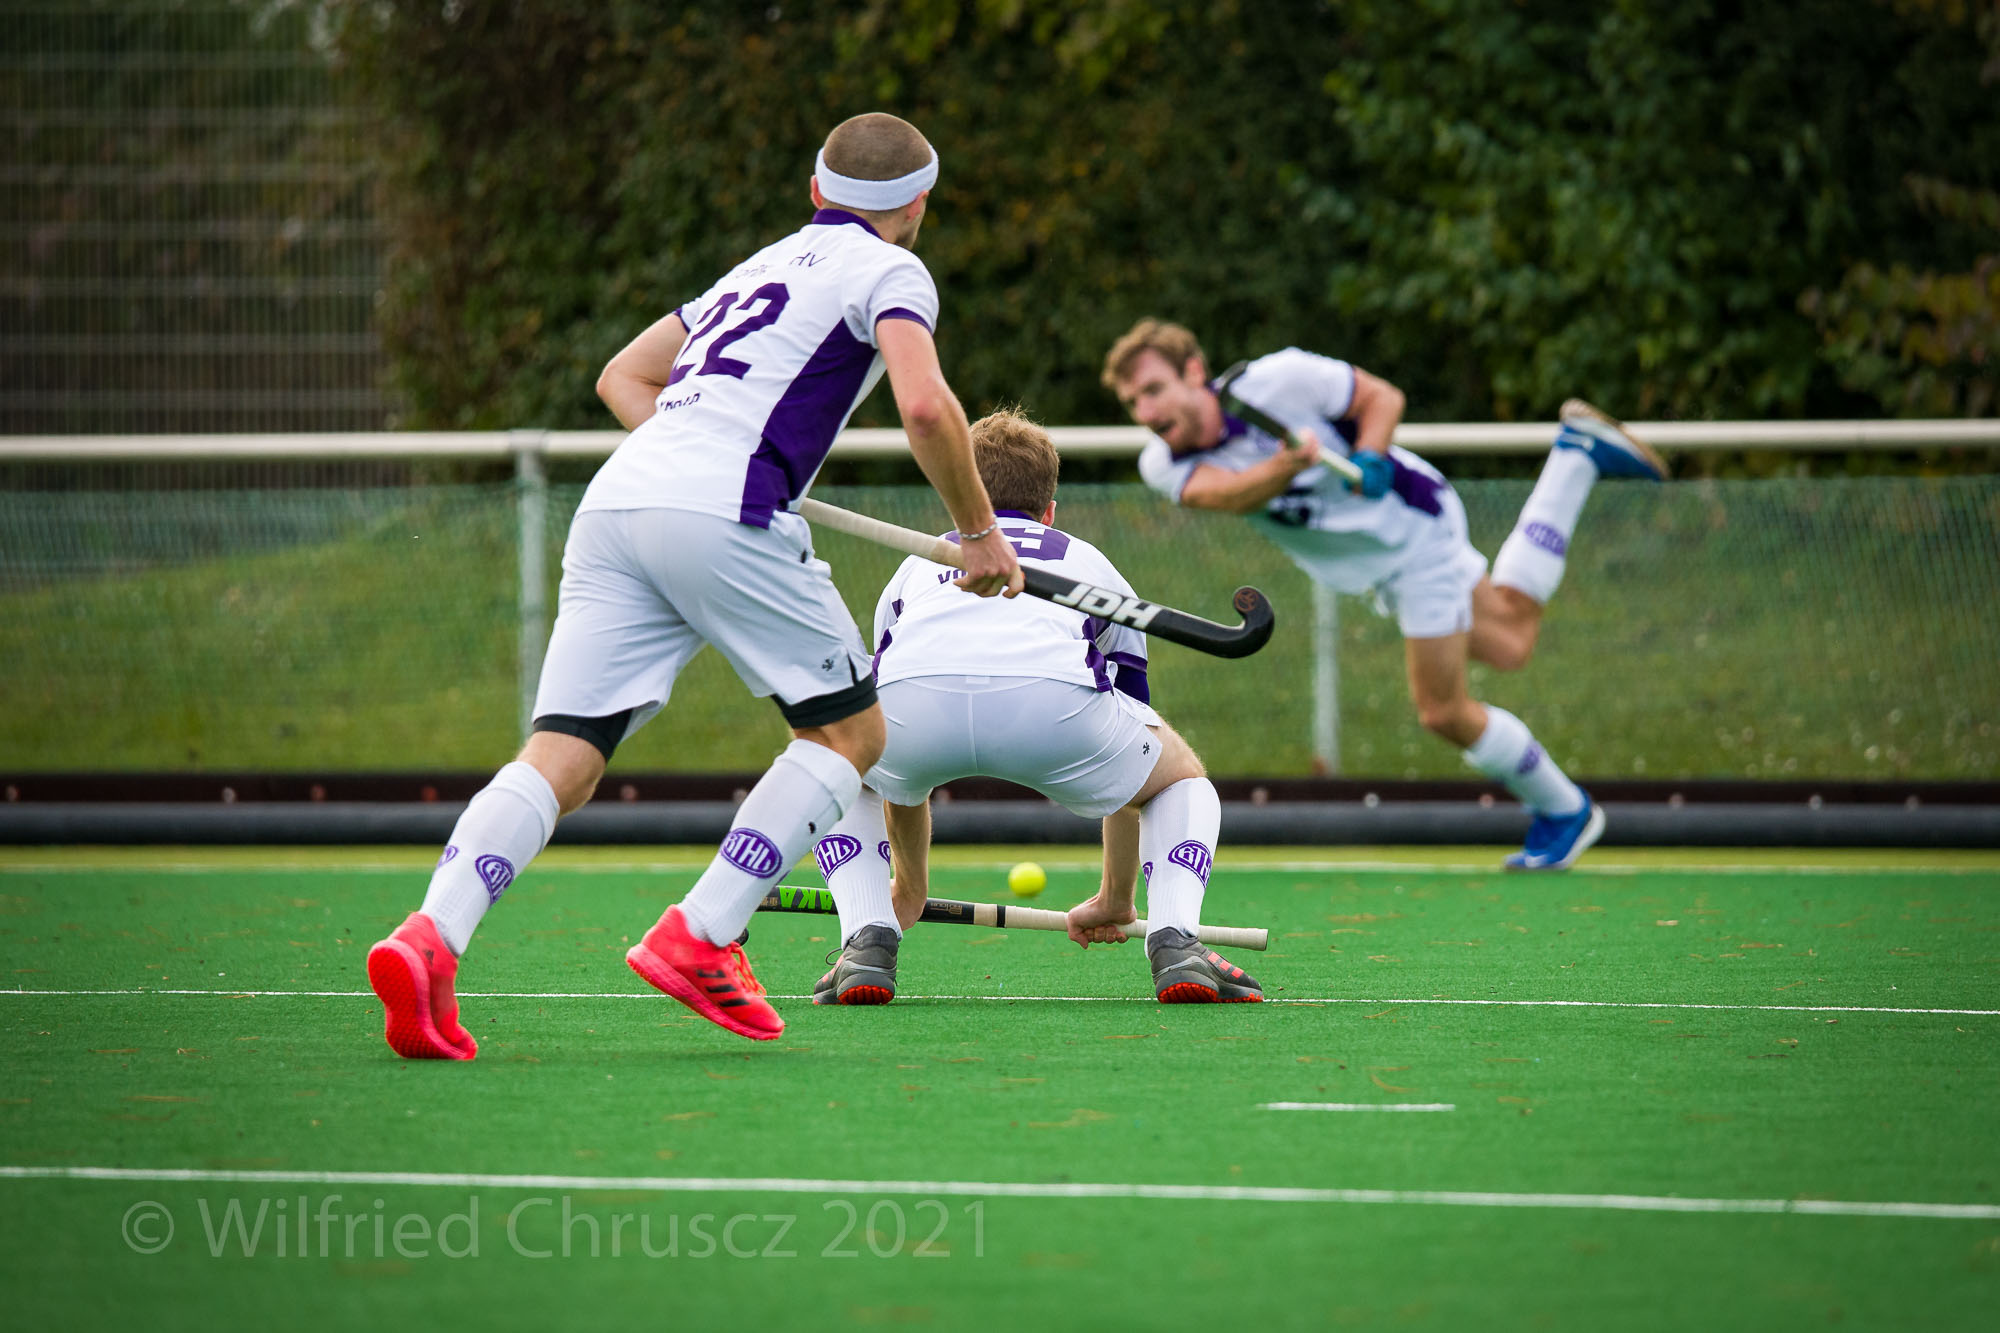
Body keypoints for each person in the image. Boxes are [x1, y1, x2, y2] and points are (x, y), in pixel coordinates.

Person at [364, 113, 1023, 1058]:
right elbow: (924, 405)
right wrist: (980, 533)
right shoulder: (892, 270)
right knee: (852, 735)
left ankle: (431, 934)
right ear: (918, 205)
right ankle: (705, 931)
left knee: (564, 754)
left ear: (814, 191)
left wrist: (696, 451)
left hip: (618, 501)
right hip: (725, 506)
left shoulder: (754, 267)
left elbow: (622, 378)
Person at [1102, 319, 1667, 872]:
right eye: (1132, 403)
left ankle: (1564, 810)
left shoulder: (1281, 379)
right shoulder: (1163, 462)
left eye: (1153, 390)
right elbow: (1227, 495)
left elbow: (1382, 398)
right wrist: (1288, 463)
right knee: (1510, 641)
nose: (1146, 414)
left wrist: (1371, 452)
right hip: (1383, 562)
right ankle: (1575, 457)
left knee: (1443, 710)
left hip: (1413, 534)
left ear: (1194, 372)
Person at [809, 408, 1263, 1006]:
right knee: (1178, 779)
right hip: (1054, 710)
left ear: (958, 501)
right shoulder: (1090, 563)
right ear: (1050, 510)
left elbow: (894, 760)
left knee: (841, 765)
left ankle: (867, 937)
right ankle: (1176, 938)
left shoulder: (915, 565)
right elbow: (1131, 758)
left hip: (913, 707)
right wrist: (1116, 899)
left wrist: (909, 888)